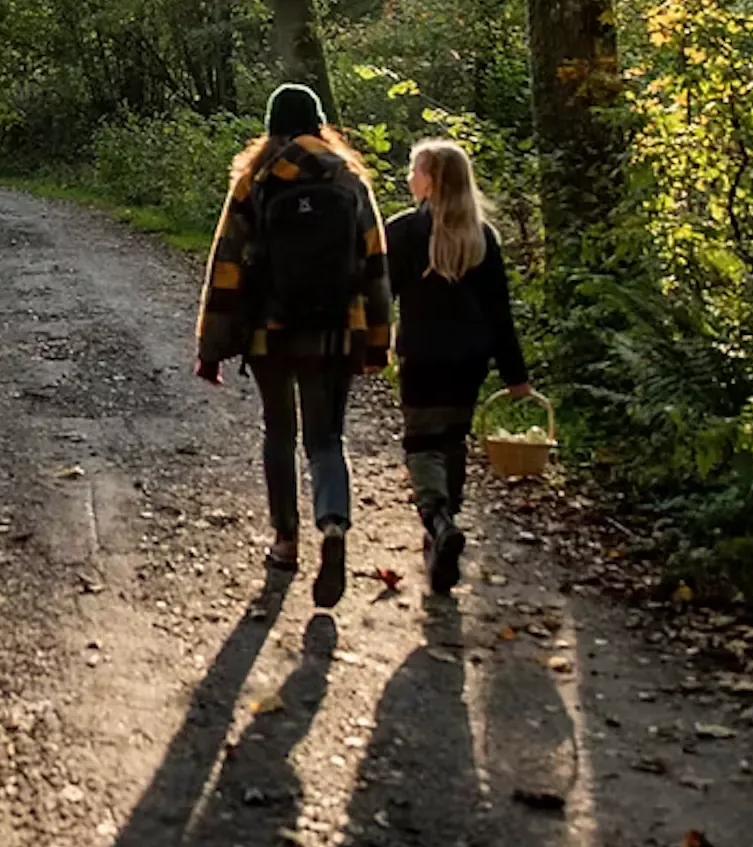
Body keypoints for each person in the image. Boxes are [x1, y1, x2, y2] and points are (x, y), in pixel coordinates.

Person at [194, 83, 394, 610]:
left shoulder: (256, 180)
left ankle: (285, 541)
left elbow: (227, 266)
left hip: (271, 332)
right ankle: (333, 524)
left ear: (271, 127)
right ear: (319, 123)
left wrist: (212, 348)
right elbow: (376, 265)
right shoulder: (348, 179)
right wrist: (378, 342)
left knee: (279, 433)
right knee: (326, 438)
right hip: (337, 330)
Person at [381, 138, 533, 595]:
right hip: (470, 359)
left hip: (422, 355)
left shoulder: (404, 231)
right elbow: (499, 313)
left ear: (431, 181)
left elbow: (381, 296)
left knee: (421, 443)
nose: (410, 178)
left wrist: (367, 346)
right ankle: (447, 524)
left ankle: (438, 520)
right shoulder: (482, 237)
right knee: (452, 440)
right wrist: (516, 375)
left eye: (415, 170)